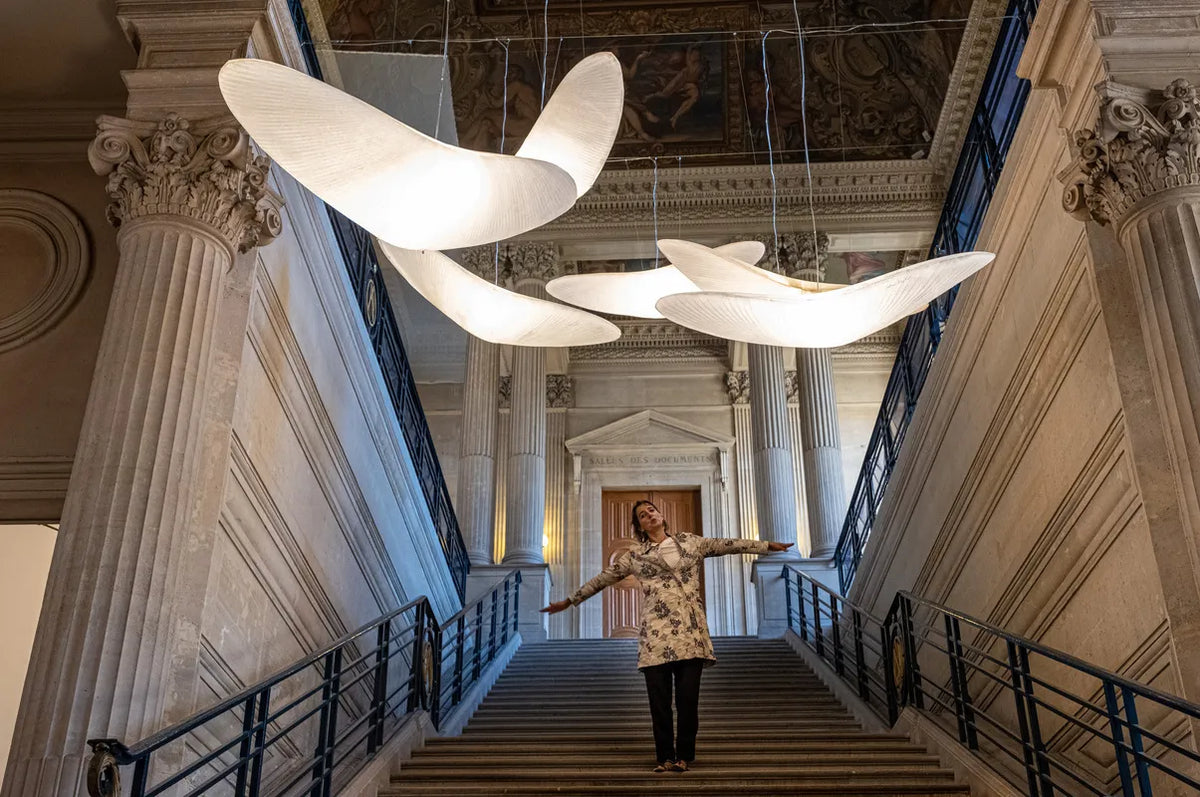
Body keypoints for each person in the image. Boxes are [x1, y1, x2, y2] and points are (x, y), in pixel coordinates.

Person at [541, 499, 792, 773]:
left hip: (690, 634)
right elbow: (603, 578)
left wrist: (766, 546)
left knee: (687, 700)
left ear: (660, 515)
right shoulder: (635, 556)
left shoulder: (690, 542)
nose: (649, 515)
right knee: (659, 703)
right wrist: (568, 601)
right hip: (656, 636)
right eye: (642, 515)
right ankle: (664, 758)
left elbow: (728, 544)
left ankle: (683, 756)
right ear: (639, 526)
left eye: (651, 510)